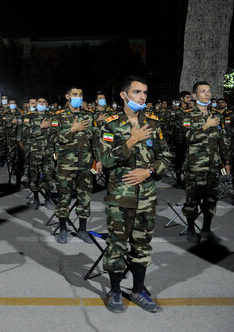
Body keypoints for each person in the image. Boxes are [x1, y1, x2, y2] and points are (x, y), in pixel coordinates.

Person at [99, 76, 170, 313]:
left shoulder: (153, 123)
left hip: (146, 196)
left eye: (145, 93)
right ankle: (116, 291)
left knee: (142, 245)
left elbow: (167, 157)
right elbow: (106, 160)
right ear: (124, 95)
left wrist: (148, 171)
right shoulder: (109, 124)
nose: (142, 97)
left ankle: (139, 290)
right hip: (120, 197)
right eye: (137, 92)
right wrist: (132, 140)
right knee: (117, 245)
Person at [181, 81, 230, 244]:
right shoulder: (187, 116)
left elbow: (222, 140)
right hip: (195, 167)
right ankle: (190, 229)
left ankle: (207, 229)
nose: (208, 94)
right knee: (192, 201)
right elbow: (186, 138)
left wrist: (226, 161)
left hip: (213, 166)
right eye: (203, 91)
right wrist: (205, 126)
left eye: (209, 91)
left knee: (211, 199)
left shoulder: (217, 115)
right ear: (194, 96)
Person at [51, 86, 102, 244]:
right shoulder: (58, 116)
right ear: (67, 97)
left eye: (80, 94)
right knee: (64, 197)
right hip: (66, 164)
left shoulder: (89, 115)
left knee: (84, 197)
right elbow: (52, 138)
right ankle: (63, 230)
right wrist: (71, 129)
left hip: (85, 164)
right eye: (75, 94)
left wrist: (98, 160)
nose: (78, 97)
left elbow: (95, 140)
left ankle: (82, 230)